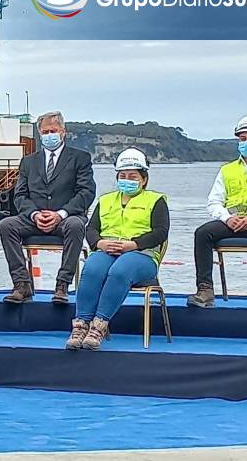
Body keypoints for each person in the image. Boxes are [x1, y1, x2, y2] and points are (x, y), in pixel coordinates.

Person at [66, 148, 169, 351]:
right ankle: (80, 325)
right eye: (123, 176)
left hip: (142, 254)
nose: (127, 180)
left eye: (133, 176)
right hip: (108, 250)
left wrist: (134, 244)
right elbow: (92, 229)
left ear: (144, 179)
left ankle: (99, 326)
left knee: (120, 271)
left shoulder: (156, 201)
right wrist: (100, 243)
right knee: (92, 269)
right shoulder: (106, 200)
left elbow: (160, 232)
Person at [0, 111, 96, 304]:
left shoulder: (80, 158)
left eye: (53, 130)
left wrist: (60, 214)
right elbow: (19, 195)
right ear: (39, 134)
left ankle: (62, 285)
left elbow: (86, 193)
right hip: (34, 219)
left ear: (63, 132)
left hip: (66, 218)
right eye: (45, 132)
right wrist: (34, 214)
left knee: (76, 225)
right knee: (6, 225)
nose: (49, 135)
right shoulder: (28, 162)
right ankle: (21, 284)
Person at [189, 114, 247, 309]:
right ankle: (205, 290)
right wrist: (227, 218)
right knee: (202, 233)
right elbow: (214, 202)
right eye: (242, 139)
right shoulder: (227, 170)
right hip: (232, 220)